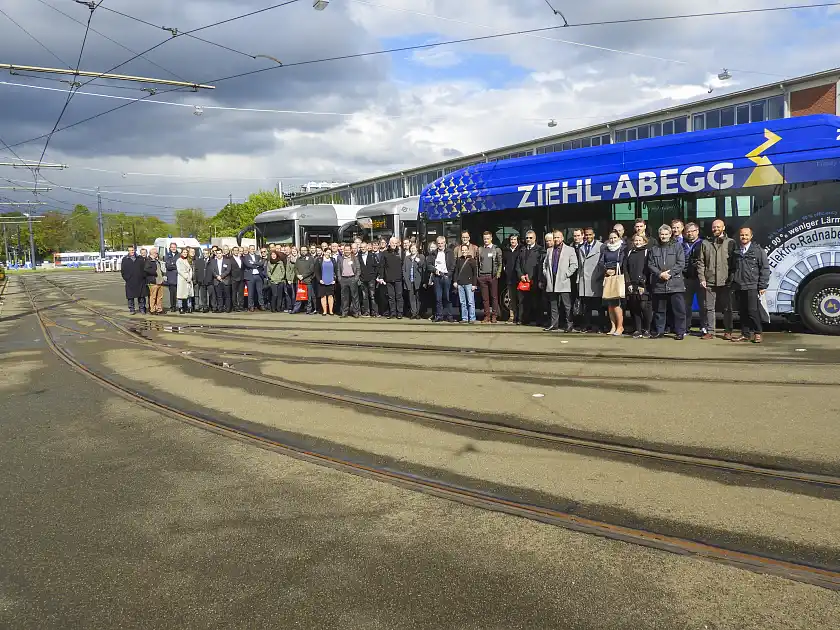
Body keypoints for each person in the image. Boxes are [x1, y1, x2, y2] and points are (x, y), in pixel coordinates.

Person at [729, 227, 770, 344]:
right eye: (742, 235)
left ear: (751, 236)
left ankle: (758, 333)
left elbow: (765, 269)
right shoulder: (736, 251)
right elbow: (732, 268)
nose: (744, 237)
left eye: (746, 235)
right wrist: (732, 280)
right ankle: (745, 334)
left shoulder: (758, 251)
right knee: (743, 312)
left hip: (752, 285)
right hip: (739, 285)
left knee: (753, 311)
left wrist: (762, 285)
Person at [696, 219, 735, 340]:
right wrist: (702, 278)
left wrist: (732, 279)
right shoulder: (705, 243)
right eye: (714, 227)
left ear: (723, 228)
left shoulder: (731, 242)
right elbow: (700, 262)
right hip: (709, 280)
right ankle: (710, 331)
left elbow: (734, 263)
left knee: (727, 308)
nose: (716, 229)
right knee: (709, 308)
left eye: (718, 227)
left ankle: (728, 331)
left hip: (725, 281)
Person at [648, 224, 687, 340]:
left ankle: (680, 332)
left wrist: (669, 274)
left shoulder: (677, 247)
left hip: (675, 284)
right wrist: (659, 274)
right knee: (659, 310)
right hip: (659, 284)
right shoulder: (654, 249)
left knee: (679, 310)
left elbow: (681, 263)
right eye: (662, 234)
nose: (664, 236)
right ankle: (660, 331)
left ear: (670, 235)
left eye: (666, 234)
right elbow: (650, 264)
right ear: (659, 235)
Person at [541, 230, 578, 332]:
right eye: (555, 237)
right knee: (553, 305)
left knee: (567, 305)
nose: (556, 239)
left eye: (558, 237)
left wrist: (567, 274)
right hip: (552, 280)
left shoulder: (570, 250)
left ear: (562, 238)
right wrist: (546, 274)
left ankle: (569, 324)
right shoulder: (549, 250)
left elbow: (574, 265)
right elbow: (544, 265)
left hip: (563, 280)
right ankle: (554, 324)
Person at [599, 231, 626, 336]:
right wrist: (606, 270)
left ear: (619, 238)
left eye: (615, 237)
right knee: (609, 305)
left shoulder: (622, 248)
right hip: (608, 276)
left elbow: (623, 261)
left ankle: (620, 326)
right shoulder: (606, 249)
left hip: (617, 276)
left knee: (616, 304)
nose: (613, 240)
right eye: (611, 238)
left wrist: (615, 270)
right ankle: (613, 326)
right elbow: (601, 262)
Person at [577, 227, 603, 333]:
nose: (588, 236)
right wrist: (578, 280)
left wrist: (600, 276)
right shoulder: (581, 247)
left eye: (590, 234)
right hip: (584, 280)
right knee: (586, 306)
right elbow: (580, 266)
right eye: (586, 235)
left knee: (598, 306)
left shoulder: (601, 247)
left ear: (594, 235)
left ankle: (599, 326)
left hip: (595, 279)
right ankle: (587, 325)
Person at [514, 230, 544, 326]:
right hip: (523, 281)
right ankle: (523, 319)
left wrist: (531, 277)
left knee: (536, 302)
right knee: (523, 302)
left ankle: (538, 321)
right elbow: (517, 264)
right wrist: (521, 275)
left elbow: (540, 266)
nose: (528, 239)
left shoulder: (539, 250)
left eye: (531, 238)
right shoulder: (522, 250)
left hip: (534, 280)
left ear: (535, 239)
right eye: (527, 238)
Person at [626, 234, 652, 338]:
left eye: (640, 240)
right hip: (632, 285)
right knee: (634, 307)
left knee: (644, 306)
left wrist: (643, 283)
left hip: (643, 284)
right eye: (636, 240)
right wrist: (628, 283)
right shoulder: (630, 253)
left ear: (645, 241)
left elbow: (648, 268)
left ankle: (647, 329)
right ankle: (638, 329)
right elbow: (625, 268)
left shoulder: (647, 252)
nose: (637, 242)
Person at [682, 222, 705, 335]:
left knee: (703, 304)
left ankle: (704, 327)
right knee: (687, 305)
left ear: (697, 231)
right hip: (686, 278)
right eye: (688, 232)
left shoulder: (703, 243)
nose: (690, 233)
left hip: (700, 278)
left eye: (692, 231)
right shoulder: (682, 244)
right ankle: (686, 327)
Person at [476, 231, 503, 323]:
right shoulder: (480, 249)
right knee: (485, 298)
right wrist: (478, 276)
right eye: (485, 239)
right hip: (482, 276)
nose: (486, 240)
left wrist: (498, 274)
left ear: (491, 238)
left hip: (492, 276)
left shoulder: (496, 249)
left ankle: (494, 316)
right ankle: (487, 315)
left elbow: (500, 263)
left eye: (488, 238)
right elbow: (477, 263)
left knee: (494, 297)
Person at [429, 235, 455, 322]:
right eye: (438, 243)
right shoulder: (433, 253)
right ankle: (439, 315)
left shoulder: (450, 252)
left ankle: (449, 316)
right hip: (437, 277)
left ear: (445, 243)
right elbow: (429, 265)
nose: (440, 245)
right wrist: (434, 270)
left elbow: (452, 265)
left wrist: (449, 274)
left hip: (446, 276)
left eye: (442, 243)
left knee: (447, 297)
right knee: (438, 297)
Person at [378, 236, 404, 319]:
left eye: (395, 243)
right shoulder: (385, 253)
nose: (394, 244)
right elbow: (382, 266)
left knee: (399, 296)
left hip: (398, 278)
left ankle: (399, 313)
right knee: (391, 296)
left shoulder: (400, 252)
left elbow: (403, 265)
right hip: (388, 279)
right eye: (393, 243)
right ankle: (393, 312)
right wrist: (381, 277)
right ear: (389, 243)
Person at [454, 244, 478, 323]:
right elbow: (456, 271)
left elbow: (475, 273)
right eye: (462, 250)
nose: (464, 251)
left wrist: (474, 284)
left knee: (470, 302)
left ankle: (472, 318)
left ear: (468, 250)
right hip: (460, 284)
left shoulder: (472, 260)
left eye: (465, 250)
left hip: (469, 284)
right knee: (462, 302)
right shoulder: (459, 260)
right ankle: (464, 318)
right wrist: (455, 281)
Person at [120, 245, 147, 315]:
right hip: (130, 281)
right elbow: (123, 271)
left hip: (140, 280)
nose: (131, 252)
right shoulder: (125, 259)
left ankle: (142, 309)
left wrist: (143, 276)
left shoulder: (140, 258)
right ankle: (132, 309)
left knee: (141, 296)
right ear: (128, 251)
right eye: (130, 250)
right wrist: (127, 278)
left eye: (132, 250)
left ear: (134, 250)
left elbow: (144, 269)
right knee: (130, 296)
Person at [402, 243, 426, 319]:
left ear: (417, 249)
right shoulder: (407, 258)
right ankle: (413, 313)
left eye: (414, 248)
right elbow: (404, 269)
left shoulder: (421, 257)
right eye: (411, 248)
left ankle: (418, 313)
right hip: (409, 280)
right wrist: (405, 279)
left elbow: (423, 267)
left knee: (418, 297)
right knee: (411, 297)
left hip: (418, 281)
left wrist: (418, 261)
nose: (413, 250)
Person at [337, 244, 361, 318]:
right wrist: (340, 279)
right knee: (344, 297)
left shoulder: (354, 258)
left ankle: (355, 312)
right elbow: (338, 270)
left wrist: (356, 278)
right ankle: (344, 312)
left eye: (348, 249)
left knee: (355, 297)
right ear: (343, 250)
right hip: (343, 279)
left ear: (350, 250)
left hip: (352, 279)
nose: (347, 251)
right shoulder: (340, 258)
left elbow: (358, 269)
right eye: (345, 249)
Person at [358, 240, 380, 318]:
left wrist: (374, 276)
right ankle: (366, 312)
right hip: (363, 279)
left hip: (371, 279)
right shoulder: (358, 256)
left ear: (367, 248)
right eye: (361, 247)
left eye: (364, 247)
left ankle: (375, 312)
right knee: (364, 297)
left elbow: (377, 267)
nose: (363, 248)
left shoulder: (372, 255)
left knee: (372, 296)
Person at [502, 234, 521, 324]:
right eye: (511, 239)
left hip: (519, 278)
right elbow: (504, 262)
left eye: (514, 239)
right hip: (509, 278)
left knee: (520, 299)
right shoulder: (506, 251)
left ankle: (520, 317)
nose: (513, 241)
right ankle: (512, 316)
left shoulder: (521, 249)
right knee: (511, 299)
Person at [294, 245, 317, 314]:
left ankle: (309, 309)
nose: (303, 251)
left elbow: (311, 269)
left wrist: (303, 276)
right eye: (302, 250)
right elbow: (295, 268)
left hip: (308, 280)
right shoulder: (298, 259)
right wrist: (298, 275)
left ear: (307, 251)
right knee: (299, 296)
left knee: (309, 296)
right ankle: (296, 309)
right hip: (299, 280)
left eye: (304, 250)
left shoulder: (311, 259)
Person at [243, 245, 264, 312]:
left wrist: (254, 262)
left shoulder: (258, 256)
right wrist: (256, 265)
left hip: (258, 276)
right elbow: (248, 265)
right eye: (251, 249)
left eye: (253, 249)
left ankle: (261, 305)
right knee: (251, 292)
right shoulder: (245, 257)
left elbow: (261, 264)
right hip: (250, 276)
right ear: (249, 250)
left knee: (259, 292)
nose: (252, 250)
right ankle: (251, 306)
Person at [315, 246, 336, 316]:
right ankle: (324, 311)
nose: (328, 254)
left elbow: (336, 270)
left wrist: (335, 279)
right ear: (324, 252)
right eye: (327, 252)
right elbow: (316, 271)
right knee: (323, 296)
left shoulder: (333, 260)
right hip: (322, 281)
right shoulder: (319, 260)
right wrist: (319, 280)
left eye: (330, 253)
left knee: (330, 296)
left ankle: (331, 311)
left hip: (331, 281)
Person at [144, 249, 166, 315]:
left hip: (160, 281)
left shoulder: (157, 261)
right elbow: (146, 269)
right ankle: (152, 309)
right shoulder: (148, 260)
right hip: (153, 281)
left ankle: (159, 309)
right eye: (156, 253)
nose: (157, 254)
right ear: (153, 253)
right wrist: (155, 272)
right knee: (153, 296)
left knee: (160, 296)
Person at [175, 248, 194, 314]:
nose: (185, 253)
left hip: (188, 279)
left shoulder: (188, 260)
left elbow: (191, 269)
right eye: (184, 252)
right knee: (181, 294)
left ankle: (189, 307)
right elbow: (180, 270)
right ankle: (181, 307)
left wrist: (190, 277)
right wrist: (186, 277)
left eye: (186, 252)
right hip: (182, 279)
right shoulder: (179, 260)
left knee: (189, 294)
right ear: (181, 253)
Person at [192, 248, 209, 313]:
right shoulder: (199, 261)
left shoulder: (211, 260)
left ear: (209, 254)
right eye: (204, 253)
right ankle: (203, 306)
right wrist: (196, 279)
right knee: (202, 295)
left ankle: (208, 306)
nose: (205, 255)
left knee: (208, 295)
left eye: (206, 253)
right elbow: (196, 271)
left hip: (209, 280)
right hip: (201, 280)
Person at [164, 242, 179, 313]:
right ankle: (172, 306)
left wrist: (173, 264)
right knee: (172, 294)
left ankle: (179, 306)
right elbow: (168, 266)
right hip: (171, 278)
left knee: (178, 294)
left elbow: (180, 266)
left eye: (174, 247)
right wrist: (175, 265)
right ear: (170, 248)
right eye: (172, 247)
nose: (173, 248)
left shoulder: (179, 255)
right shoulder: (167, 255)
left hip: (178, 277)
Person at [229, 246, 245, 312]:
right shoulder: (230, 259)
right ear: (232, 251)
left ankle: (241, 306)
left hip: (241, 278)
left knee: (241, 293)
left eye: (237, 250)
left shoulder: (241, 258)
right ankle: (235, 306)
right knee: (234, 293)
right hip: (234, 278)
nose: (236, 251)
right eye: (234, 250)